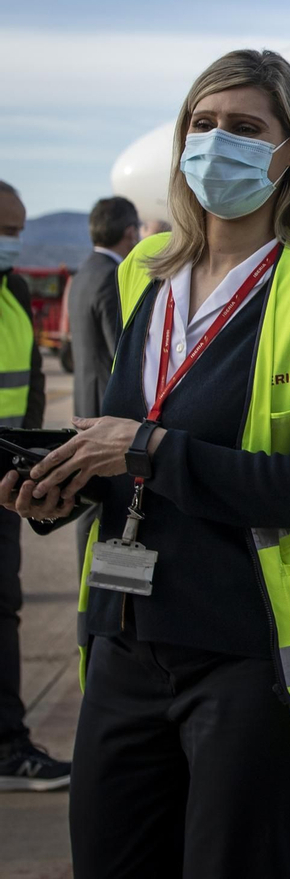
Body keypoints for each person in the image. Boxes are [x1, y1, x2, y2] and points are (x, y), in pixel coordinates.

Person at [2, 50, 290, 874]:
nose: (216, 143)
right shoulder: (143, 275)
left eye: (244, 127)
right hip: (124, 639)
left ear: (289, 152)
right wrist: (63, 486)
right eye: (202, 124)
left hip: (251, 650)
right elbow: (127, 447)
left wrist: (145, 447)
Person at [0, 180, 69, 792]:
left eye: (18, 230)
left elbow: (32, 384)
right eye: (4, 229)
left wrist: (33, 461)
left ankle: (8, 745)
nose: (13, 241)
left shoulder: (15, 290)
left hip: (5, 477)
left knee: (4, 608)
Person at [68, 196, 140, 567]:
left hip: (85, 402)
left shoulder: (83, 272)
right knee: (103, 512)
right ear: (130, 233)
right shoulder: (113, 277)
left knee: (88, 508)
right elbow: (122, 355)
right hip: (107, 417)